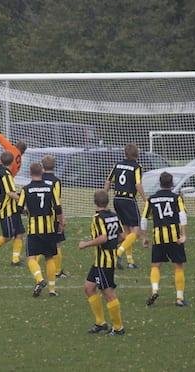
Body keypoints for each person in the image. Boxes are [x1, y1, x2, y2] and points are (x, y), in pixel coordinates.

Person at [79, 190, 125, 336]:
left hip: (104, 262)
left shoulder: (98, 218)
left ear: (95, 202)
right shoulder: (114, 216)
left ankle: (118, 327)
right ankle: (100, 323)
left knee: (108, 293)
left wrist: (86, 244)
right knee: (88, 287)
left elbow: (103, 238)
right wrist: (113, 243)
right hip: (101, 261)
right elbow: (122, 236)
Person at [142, 172, 188, 307]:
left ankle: (155, 289)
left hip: (158, 237)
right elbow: (183, 216)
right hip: (174, 237)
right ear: (172, 183)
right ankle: (179, 298)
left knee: (156, 265)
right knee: (178, 266)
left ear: (160, 183)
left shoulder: (151, 199)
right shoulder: (176, 198)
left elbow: (144, 219)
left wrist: (144, 238)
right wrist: (184, 235)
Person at [18, 163, 61, 297]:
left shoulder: (26, 189)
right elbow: (57, 207)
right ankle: (52, 290)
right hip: (49, 228)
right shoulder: (50, 188)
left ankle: (39, 279)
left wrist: (26, 211)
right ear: (42, 172)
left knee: (31, 258)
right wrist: (60, 222)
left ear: (30, 173)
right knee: (49, 258)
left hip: (34, 230)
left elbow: (19, 209)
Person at [104, 143, 146, 269]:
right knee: (136, 232)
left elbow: (108, 181)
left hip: (117, 199)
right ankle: (117, 253)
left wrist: (104, 197)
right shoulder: (137, 167)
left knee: (127, 231)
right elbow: (138, 185)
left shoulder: (117, 164)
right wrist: (145, 199)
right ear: (136, 154)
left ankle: (130, 261)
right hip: (128, 200)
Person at [41, 155, 67, 279]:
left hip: (39, 216)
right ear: (54, 165)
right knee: (57, 244)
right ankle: (57, 271)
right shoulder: (56, 181)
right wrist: (61, 220)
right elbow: (57, 201)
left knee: (39, 242)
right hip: (53, 216)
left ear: (42, 166)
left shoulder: (38, 178)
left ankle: (34, 264)